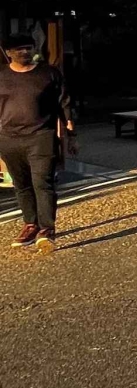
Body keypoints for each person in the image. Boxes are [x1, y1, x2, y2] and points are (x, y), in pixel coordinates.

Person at [0, 34, 75, 253]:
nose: (25, 52)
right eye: (20, 49)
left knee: (42, 182)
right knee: (21, 184)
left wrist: (71, 135)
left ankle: (46, 230)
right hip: (9, 138)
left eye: (29, 47)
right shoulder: (2, 76)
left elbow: (64, 103)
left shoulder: (49, 74)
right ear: (9, 53)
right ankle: (30, 224)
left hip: (41, 135)